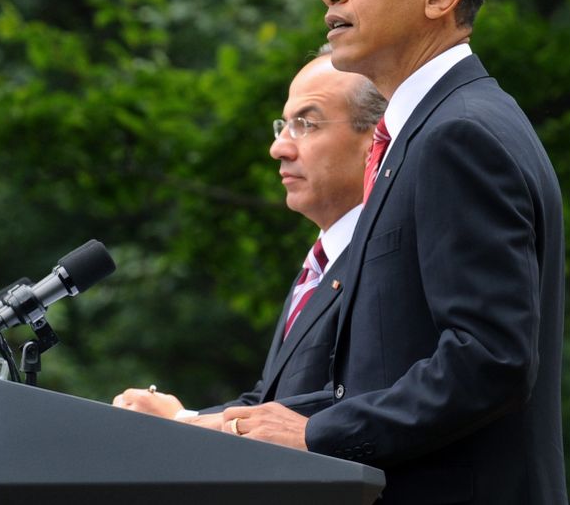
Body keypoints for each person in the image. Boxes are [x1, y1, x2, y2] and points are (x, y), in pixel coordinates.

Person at [221, 0, 568, 504]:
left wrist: (321, 434)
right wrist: (204, 424)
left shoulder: (459, 134)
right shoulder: (426, 132)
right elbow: (376, 372)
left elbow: (490, 359)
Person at [112, 51, 386, 427]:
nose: (279, 148)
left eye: (306, 124)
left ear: (375, 140)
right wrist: (176, 419)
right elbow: (271, 401)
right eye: (283, 126)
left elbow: (355, 402)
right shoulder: (319, 266)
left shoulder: (385, 257)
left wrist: (183, 423)